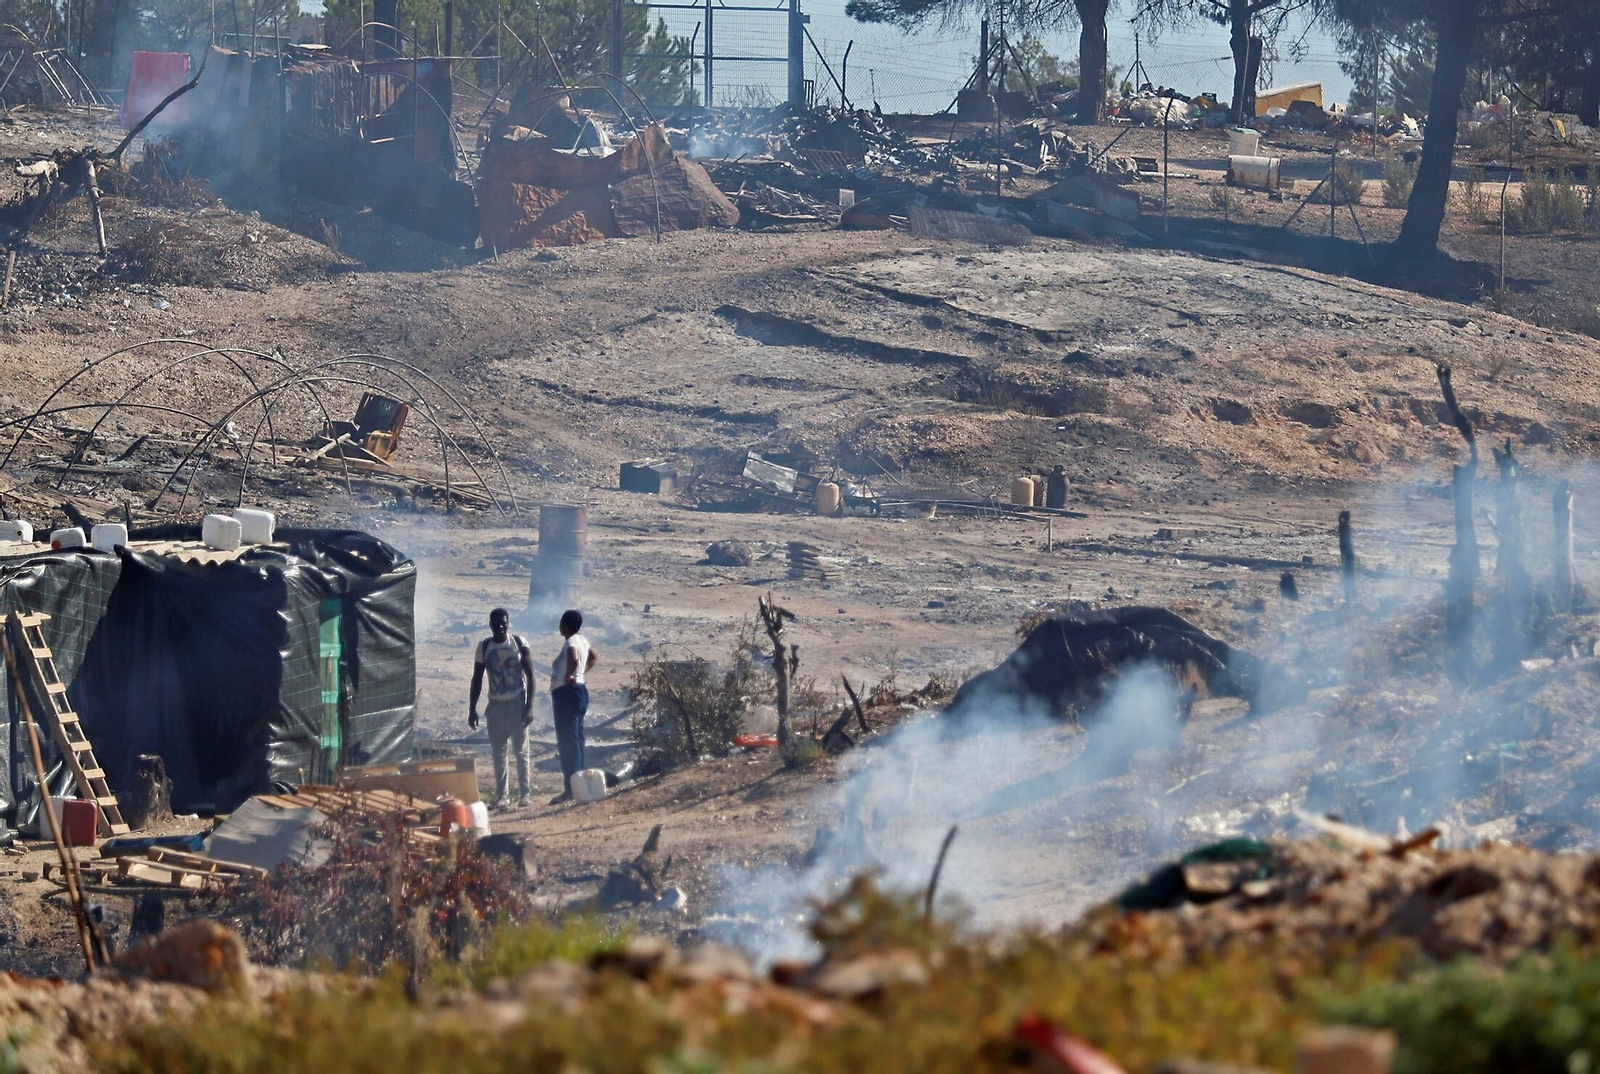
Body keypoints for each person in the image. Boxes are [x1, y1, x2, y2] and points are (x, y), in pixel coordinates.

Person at [469, 608, 535, 809]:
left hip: (516, 703)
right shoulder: (484, 647)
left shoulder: (519, 644)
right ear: (490, 624)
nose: (500, 626)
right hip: (495, 705)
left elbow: (531, 676)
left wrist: (529, 706)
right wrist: (472, 708)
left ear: (508, 623)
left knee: (521, 751)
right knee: (499, 753)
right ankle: (502, 797)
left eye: (503, 622)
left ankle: (525, 794)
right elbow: (477, 678)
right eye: (496, 623)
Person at [549, 608, 598, 804]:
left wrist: (570, 674)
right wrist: (581, 673)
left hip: (566, 694)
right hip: (580, 691)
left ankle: (570, 789)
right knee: (577, 739)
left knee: (567, 741)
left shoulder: (571, 642)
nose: (559, 626)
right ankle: (579, 784)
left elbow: (573, 656)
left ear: (566, 625)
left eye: (561, 623)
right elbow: (594, 656)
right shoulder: (583, 639)